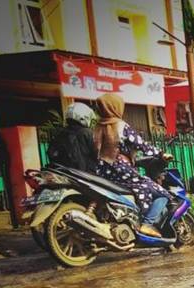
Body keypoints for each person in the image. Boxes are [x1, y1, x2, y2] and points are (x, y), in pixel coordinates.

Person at [93, 93, 172, 238]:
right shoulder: (120, 126)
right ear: (115, 107)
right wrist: (161, 154)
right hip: (122, 172)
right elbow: (141, 144)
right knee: (162, 193)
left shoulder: (98, 127)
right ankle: (147, 223)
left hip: (103, 172)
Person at [46, 102, 99, 172]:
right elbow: (97, 154)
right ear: (84, 116)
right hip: (85, 177)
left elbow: (52, 155)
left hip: (64, 175)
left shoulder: (59, 133)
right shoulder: (88, 133)